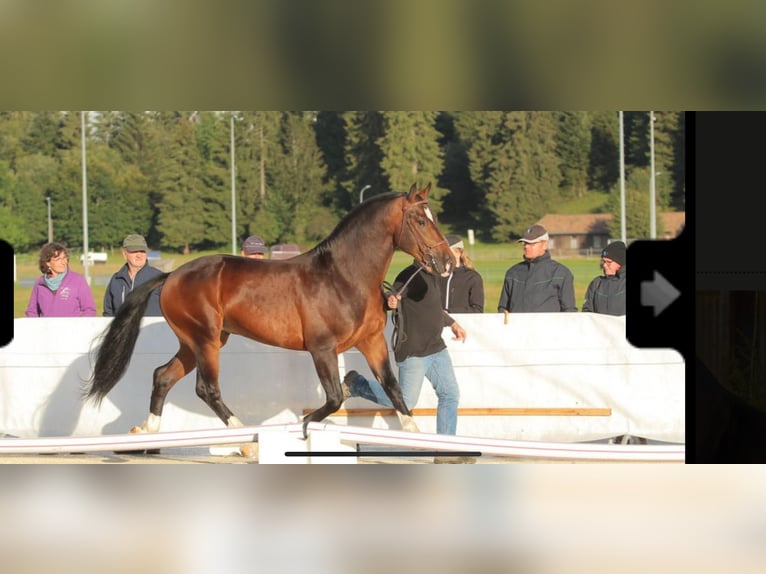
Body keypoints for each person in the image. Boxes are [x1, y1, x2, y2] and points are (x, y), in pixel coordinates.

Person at [342, 262, 473, 463]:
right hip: (413, 351)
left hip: (436, 348)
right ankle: (356, 385)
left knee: (450, 393)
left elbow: (434, 308)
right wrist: (390, 301)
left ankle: (446, 450)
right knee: (406, 401)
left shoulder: (433, 275)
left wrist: (452, 323)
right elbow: (392, 295)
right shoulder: (410, 275)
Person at [497, 224, 577, 313]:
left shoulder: (561, 273)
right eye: (525, 243)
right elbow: (503, 309)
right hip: (518, 327)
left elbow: (569, 312)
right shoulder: (512, 273)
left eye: (531, 243)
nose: (526, 246)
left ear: (545, 245)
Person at [25, 242, 96, 317]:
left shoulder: (78, 280)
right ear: (48, 263)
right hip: (46, 328)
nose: (63, 262)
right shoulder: (39, 284)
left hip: (72, 328)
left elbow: (89, 310)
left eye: (64, 258)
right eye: (58, 259)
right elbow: (32, 311)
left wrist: (79, 327)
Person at [103, 234, 163, 317]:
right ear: (124, 255)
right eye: (134, 251)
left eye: (142, 251)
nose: (139, 255)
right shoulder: (116, 280)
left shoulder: (159, 279)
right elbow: (108, 312)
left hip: (151, 329)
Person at [438, 234, 484, 313]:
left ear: (458, 253)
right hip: (436, 324)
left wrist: (449, 312)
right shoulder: (434, 276)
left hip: (462, 323)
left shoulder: (472, 277)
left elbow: (477, 309)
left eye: (445, 251)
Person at [582, 241, 626, 316]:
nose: (605, 265)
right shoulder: (596, 283)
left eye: (609, 262)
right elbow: (587, 311)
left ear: (621, 263)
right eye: (603, 262)